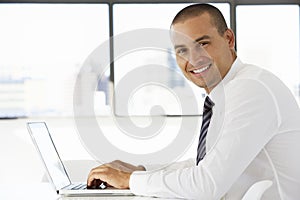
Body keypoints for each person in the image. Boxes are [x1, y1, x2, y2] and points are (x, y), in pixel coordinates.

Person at [87, 3, 300, 199]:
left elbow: (206, 185)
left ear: (229, 39)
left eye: (203, 44)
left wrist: (130, 180)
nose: (193, 59)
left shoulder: (251, 89)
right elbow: (207, 166)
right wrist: (141, 172)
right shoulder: (228, 92)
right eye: (182, 50)